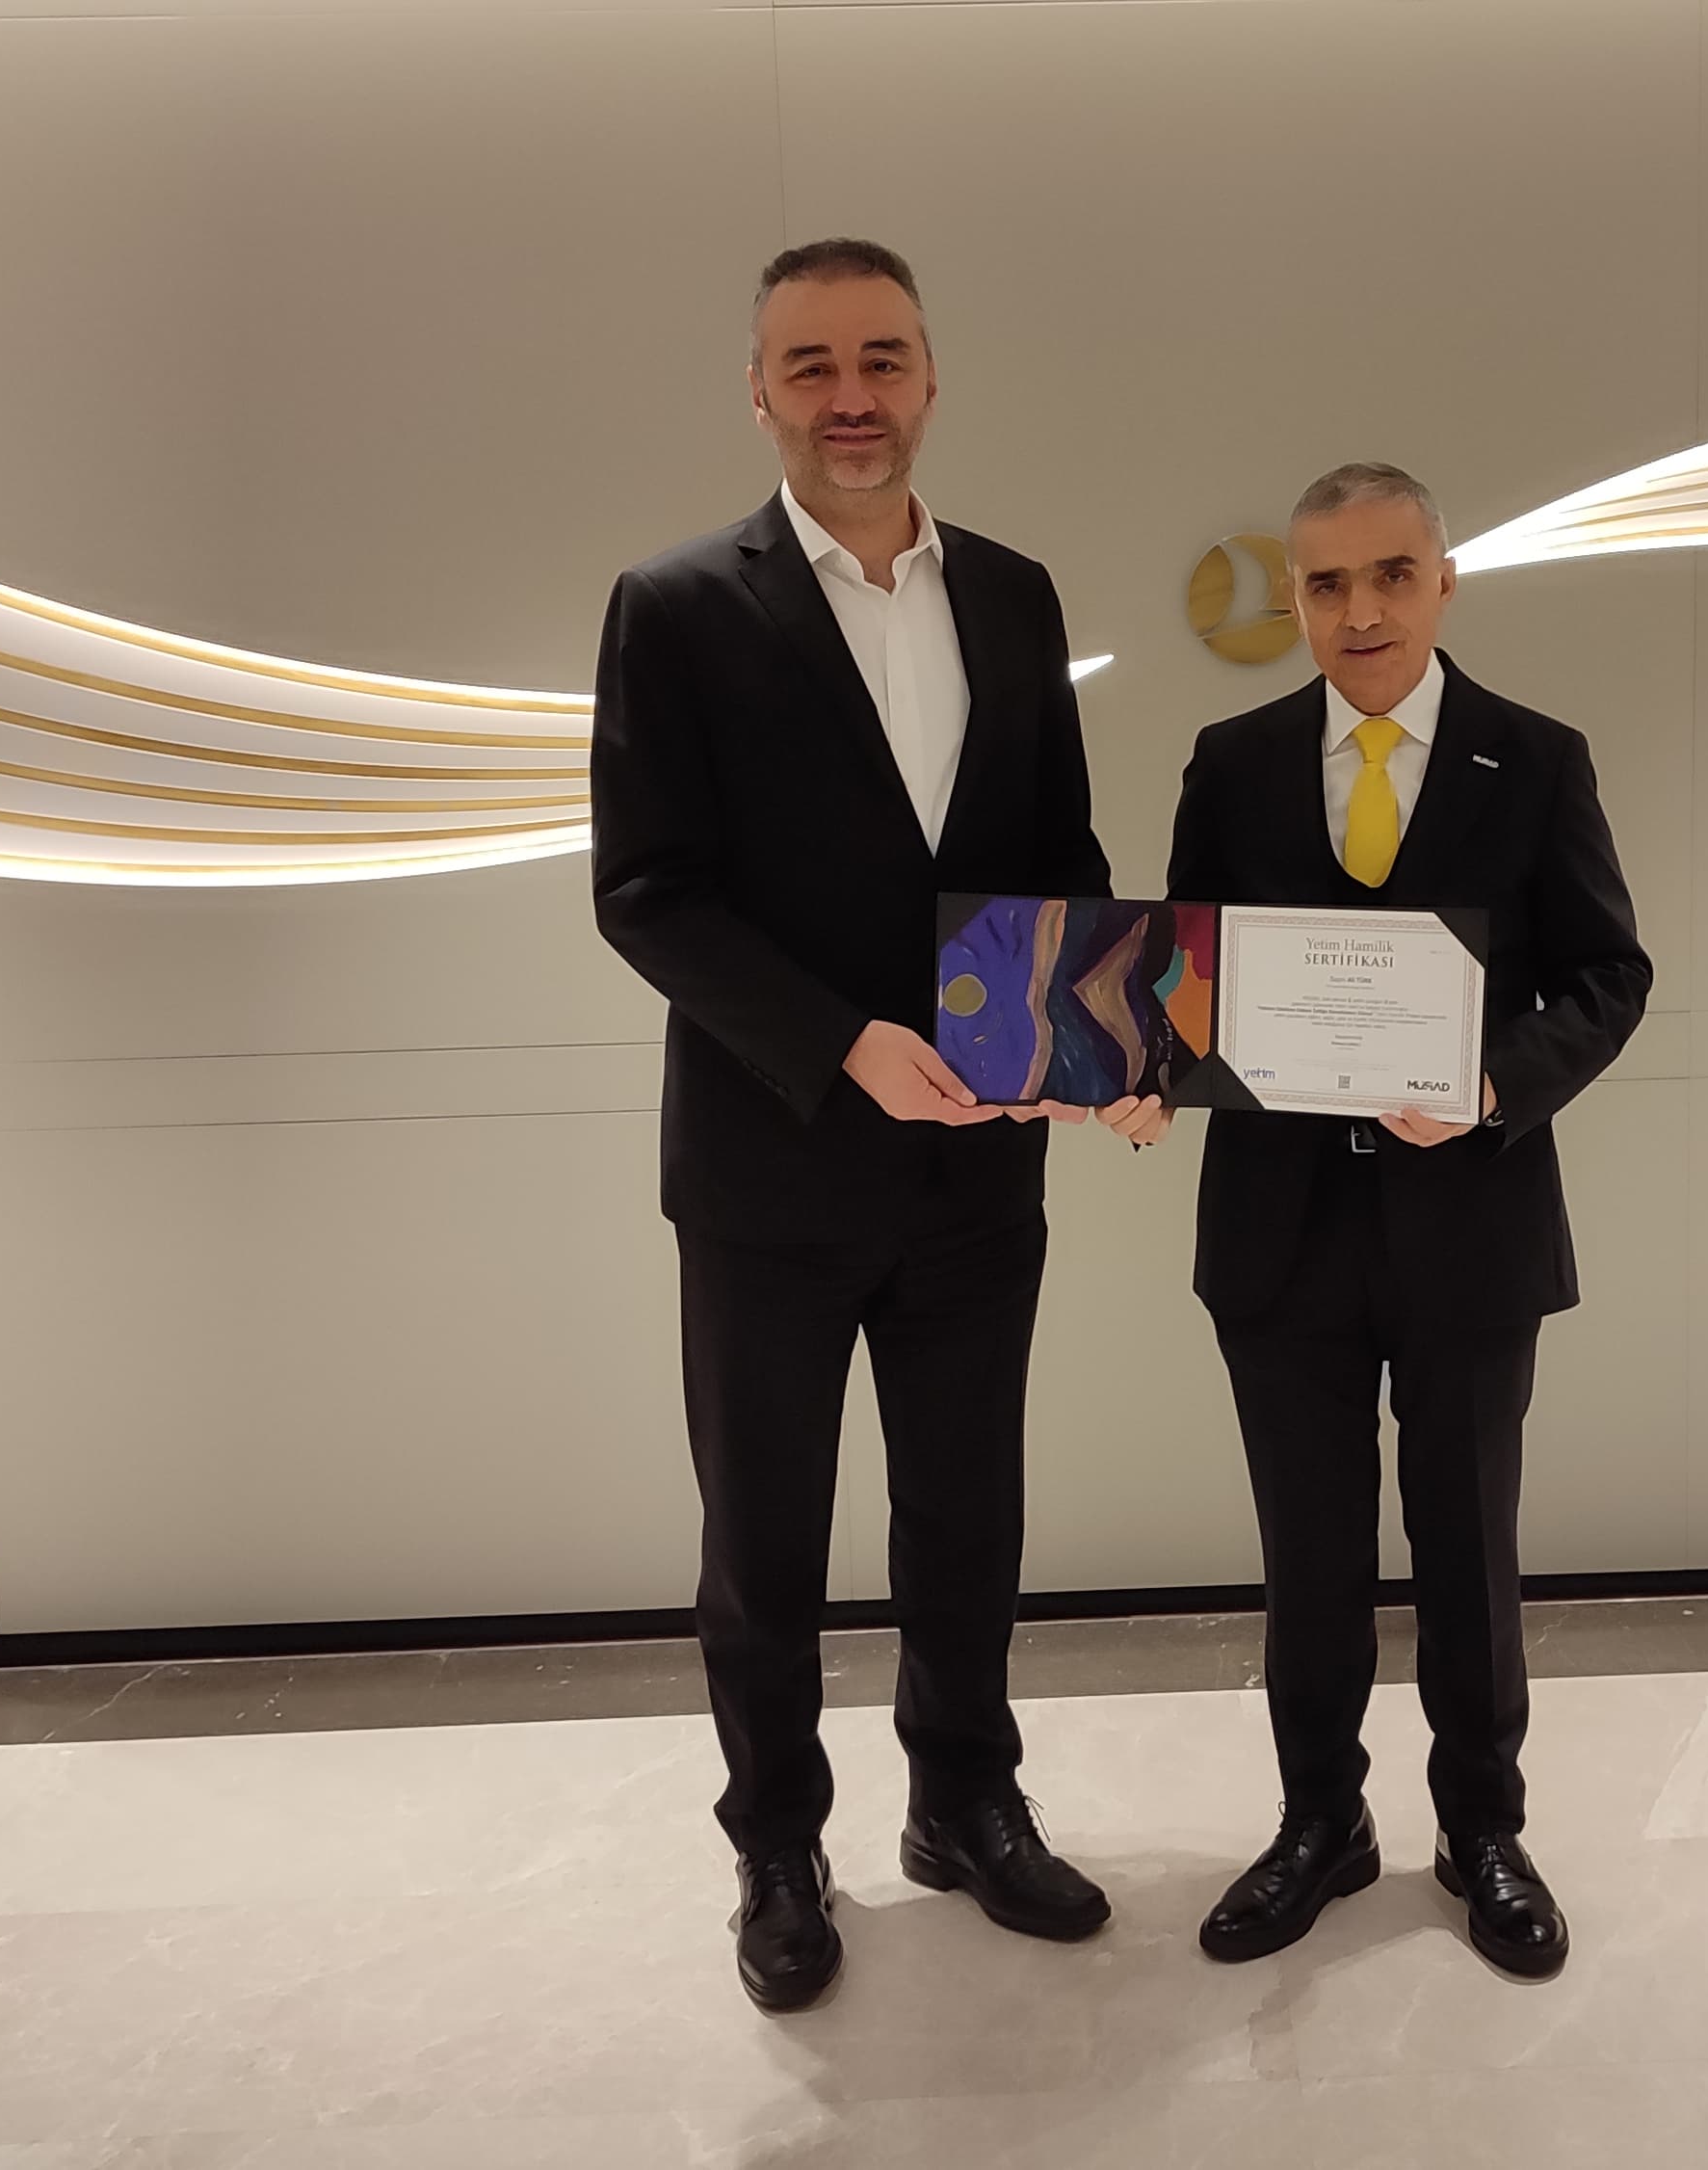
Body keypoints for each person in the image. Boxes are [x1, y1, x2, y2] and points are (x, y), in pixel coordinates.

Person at [588, 238, 1162, 2013]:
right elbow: (648, 893)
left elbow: (1055, 861)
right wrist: (843, 1045)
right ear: (760, 390)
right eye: (814, 364)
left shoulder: (1016, 595)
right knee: (764, 1545)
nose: (853, 396)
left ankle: (965, 1804)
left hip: (981, 1164)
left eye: (884, 359)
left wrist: (1112, 1038)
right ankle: (778, 1846)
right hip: (768, 1169)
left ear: (929, 378)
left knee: (967, 1517)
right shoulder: (677, 605)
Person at [1152, 463, 1650, 1979]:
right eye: (1326, 583)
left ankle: (1483, 1829)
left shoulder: (1536, 758)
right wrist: (1136, 1069)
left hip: (1471, 1230)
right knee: (1306, 1555)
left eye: (1389, 575)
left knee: (1468, 1553)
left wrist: (1499, 1085)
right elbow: (1188, 982)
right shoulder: (1233, 762)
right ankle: (1322, 1823)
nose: (1359, 611)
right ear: (1297, 597)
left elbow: (1608, 977)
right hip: (1278, 1233)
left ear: (1442, 582)